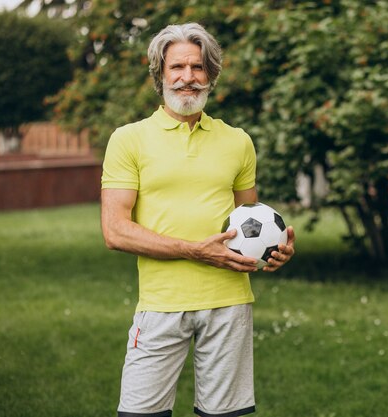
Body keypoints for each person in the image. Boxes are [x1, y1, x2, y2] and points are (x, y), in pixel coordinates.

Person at [100, 22, 295, 417]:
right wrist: (195, 251)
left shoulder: (237, 141)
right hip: (159, 304)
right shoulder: (128, 139)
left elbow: (249, 222)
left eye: (198, 67)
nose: (188, 77)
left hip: (229, 303)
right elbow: (115, 231)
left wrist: (272, 253)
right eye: (177, 67)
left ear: (211, 74)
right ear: (160, 74)